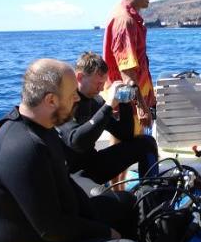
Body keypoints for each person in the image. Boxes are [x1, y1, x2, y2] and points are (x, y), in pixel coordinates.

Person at [0, 59, 150, 242]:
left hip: (61, 223)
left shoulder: (43, 127)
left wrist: (97, 219)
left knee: (130, 204)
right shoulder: (23, 147)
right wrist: (105, 232)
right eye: (71, 94)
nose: (77, 98)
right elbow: (52, 229)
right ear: (51, 100)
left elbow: (66, 185)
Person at [57, 52, 158, 196]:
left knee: (146, 143)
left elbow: (125, 135)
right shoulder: (64, 101)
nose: (100, 89)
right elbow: (77, 141)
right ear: (80, 77)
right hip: (72, 173)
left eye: (103, 84)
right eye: (97, 84)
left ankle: (151, 196)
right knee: (103, 198)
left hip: (93, 164)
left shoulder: (96, 101)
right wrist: (108, 105)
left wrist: (124, 103)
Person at [103, 0, 156, 186]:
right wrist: (142, 107)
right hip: (126, 100)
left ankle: (119, 191)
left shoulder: (128, 15)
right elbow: (128, 73)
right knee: (122, 151)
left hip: (128, 97)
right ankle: (117, 195)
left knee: (122, 148)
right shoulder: (125, 21)